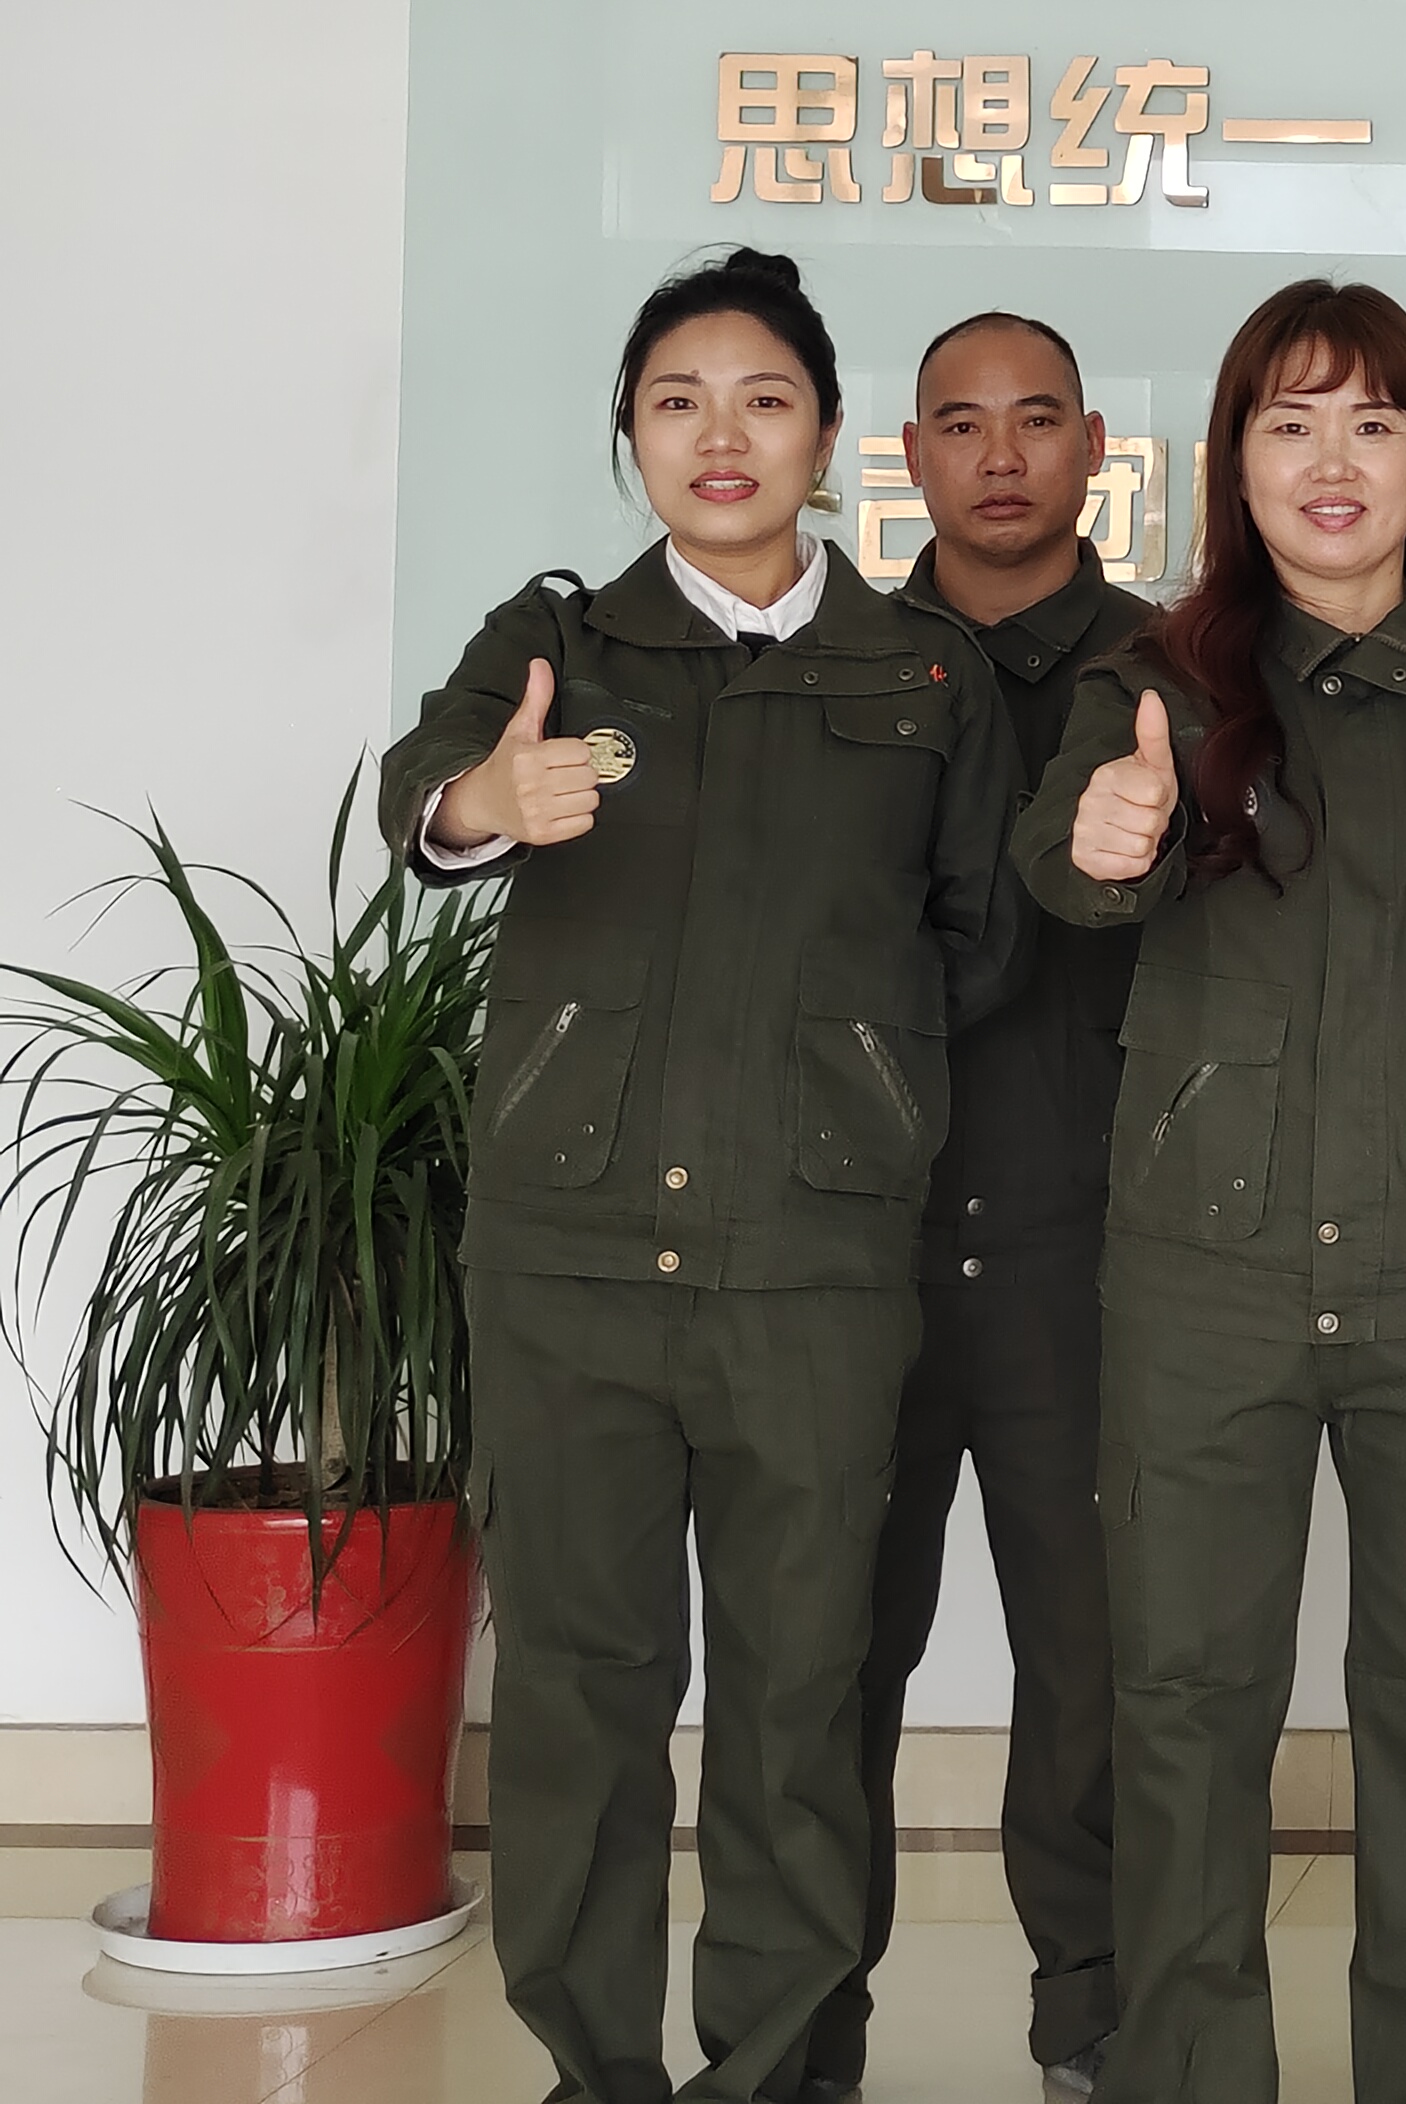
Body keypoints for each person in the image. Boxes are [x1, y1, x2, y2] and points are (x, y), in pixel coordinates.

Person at [380, 244, 1020, 2104]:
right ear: (630, 435)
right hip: (569, 1259)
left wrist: (852, 1083)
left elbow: (978, 939)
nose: (720, 437)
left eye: (763, 401)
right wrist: (485, 804)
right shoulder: (558, 645)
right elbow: (429, 783)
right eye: (677, 403)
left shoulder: (924, 670)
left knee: (800, 1691)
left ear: (826, 437)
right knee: (578, 1689)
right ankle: (594, 2071)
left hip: (814, 1261)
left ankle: (781, 2072)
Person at [1017, 280, 1406, 2104]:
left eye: (1373, 421)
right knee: (1186, 1703)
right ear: (1237, 462)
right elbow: (1071, 866)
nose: (1333, 460)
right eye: (1289, 423)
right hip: (1206, 1270)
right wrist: (1108, 839)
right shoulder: (1152, 685)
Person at [809, 311, 1148, 2103]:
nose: (1000, 456)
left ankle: (1096, 2020)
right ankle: (800, 2027)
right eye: (961, 423)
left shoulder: (1177, 668)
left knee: (1091, 1668)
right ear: (909, 455)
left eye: (1036, 422)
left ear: (1094, 447)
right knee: (822, 1657)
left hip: (1084, 1243)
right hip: (848, 1247)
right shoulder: (838, 666)